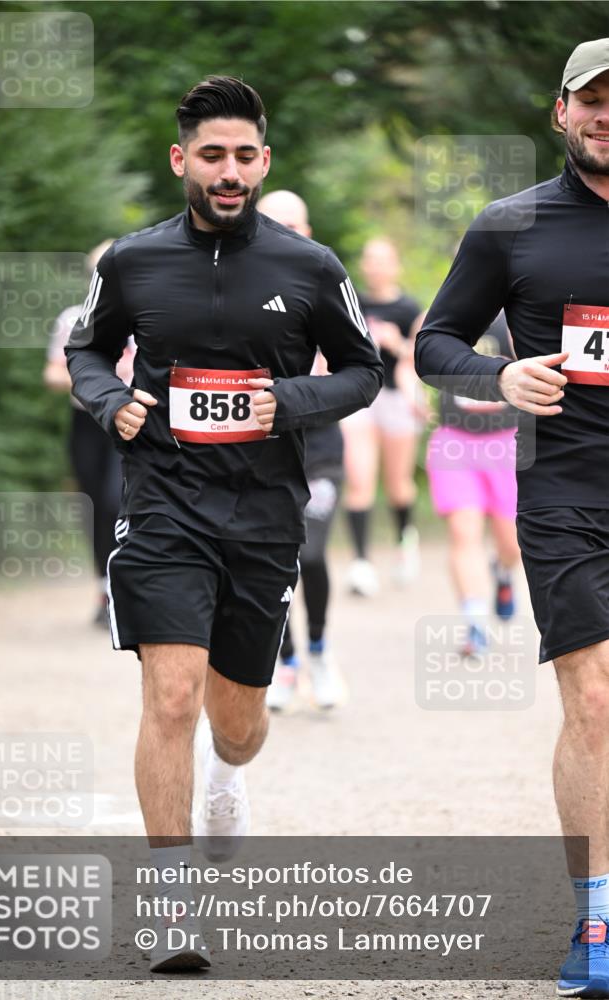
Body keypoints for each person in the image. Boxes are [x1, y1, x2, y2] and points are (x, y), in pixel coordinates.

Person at [65, 76, 382, 971]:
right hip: (162, 503)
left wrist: (287, 401)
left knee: (235, 722)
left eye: (245, 155)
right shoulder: (131, 261)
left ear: (264, 161)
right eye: (212, 154)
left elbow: (364, 372)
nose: (229, 170)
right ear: (182, 161)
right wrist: (107, 399)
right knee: (169, 695)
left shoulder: (309, 268)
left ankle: (229, 777)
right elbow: (85, 348)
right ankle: (170, 910)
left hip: (261, 512)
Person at [415, 39, 609, 998]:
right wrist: (499, 374)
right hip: (564, 492)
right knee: (595, 700)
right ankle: (598, 918)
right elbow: (432, 345)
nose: (607, 116)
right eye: (593, 101)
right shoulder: (512, 226)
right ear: (560, 113)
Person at [256, 189, 345, 711]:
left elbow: (360, 370)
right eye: (275, 223)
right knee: (274, 561)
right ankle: (285, 659)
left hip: (321, 452)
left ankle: (318, 649)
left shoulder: (327, 286)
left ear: (308, 231)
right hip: (263, 454)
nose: (286, 232)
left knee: (308, 552)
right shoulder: (232, 289)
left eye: (295, 224)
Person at [43, 241, 135, 625]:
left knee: (117, 502)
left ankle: (126, 585)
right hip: (86, 423)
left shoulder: (146, 317)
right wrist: (92, 382)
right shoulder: (73, 319)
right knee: (95, 505)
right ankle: (104, 589)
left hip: (129, 423)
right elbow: (52, 373)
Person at [425, 312, 521, 656]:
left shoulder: (517, 318)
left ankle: (503, 572)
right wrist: (411, 393)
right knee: (464, 534)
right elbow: (411, 359)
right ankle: (476, 625)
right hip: (455, 442)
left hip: (508, 441)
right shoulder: (440, 316)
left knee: (512, 544)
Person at [341, 237, 424, 595]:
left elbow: (421, 358)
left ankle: (405, 542)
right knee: (359, 480)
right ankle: (361, 562)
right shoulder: (352, 303)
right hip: (360, 400)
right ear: (363, 265)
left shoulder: (410, 309)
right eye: (370, 259)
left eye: (383, 260)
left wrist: (396, 344)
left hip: (397, 400)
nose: (376, 266)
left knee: (397, 485)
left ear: (396, 266)